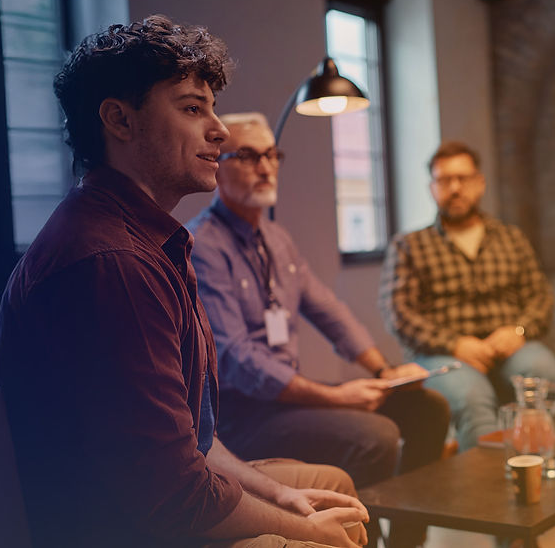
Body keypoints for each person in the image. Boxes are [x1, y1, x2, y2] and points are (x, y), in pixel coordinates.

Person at [0, 16, 369, 548]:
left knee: (330, 490)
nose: (219, 131)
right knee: (328, 533)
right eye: (193, 109)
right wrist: (303, 530)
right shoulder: (113, 262)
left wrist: (281, 497)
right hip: (126, 530)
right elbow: (173, 494)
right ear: (119, 120)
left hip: (166, 496)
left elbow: (195, 439)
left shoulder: (149, 238)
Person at [188, 111, 450, 546]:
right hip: (244, 415)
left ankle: (405, 539)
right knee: (376, 437)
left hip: (287, 400)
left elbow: (329, 312)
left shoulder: (276, 239)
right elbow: (237, 359)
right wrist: (337, 396)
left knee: (428, 408)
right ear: (218, 163)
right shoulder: (203, 246)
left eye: (272, 155)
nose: (265, 167)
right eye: (248, 156)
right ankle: (359, 538)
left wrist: (384, 372)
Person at [378, 141, 555, 451]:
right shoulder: (409, 246)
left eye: (463, 178)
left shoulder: (511, 238)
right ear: (432, 188)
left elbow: (541, 297)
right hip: (442, 355)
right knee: (473, 396)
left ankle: (540, 463)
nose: (455, 188)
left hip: (509, 346)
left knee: (543, 370)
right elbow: (399, 314)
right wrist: (454, 344)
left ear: (480, 183)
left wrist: (518, 331)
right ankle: (489, 480)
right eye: (444, 180)